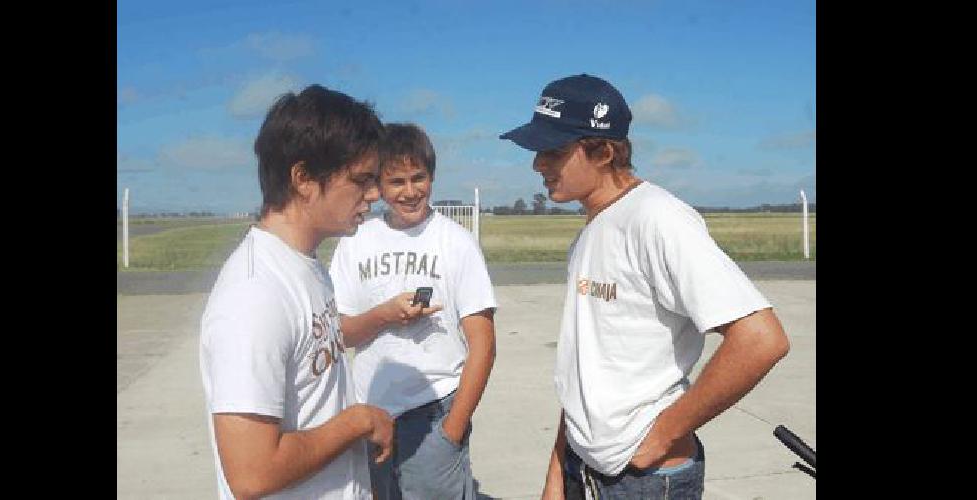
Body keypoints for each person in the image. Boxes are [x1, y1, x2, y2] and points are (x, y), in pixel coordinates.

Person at [499, 74, 791, 500]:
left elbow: (762, 339)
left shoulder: (657, 219)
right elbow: (590, 369)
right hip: (585, 466)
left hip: (646, 480)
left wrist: (662, 436)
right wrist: (558, 471)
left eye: (553, 151)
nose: (537, 164)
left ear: (602, 151)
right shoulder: (591, 231)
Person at [199, 84, 395, 500]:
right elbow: (252, 474)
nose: (375, 195)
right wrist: (358, 422)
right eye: (361, 180)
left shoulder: (305, 263)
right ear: (303, 178)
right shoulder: (254, 296)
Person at [328, 123, 498, 500]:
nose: (410, 192)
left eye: (418, 178)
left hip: (435, 409)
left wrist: (452, 432)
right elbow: (337, 334)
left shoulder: (457, 242)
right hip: (371, 412)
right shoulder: (356, 242)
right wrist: (385, 314)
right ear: (379, 187)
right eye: (396, 182)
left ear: (431, 177)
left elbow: (483, 345)